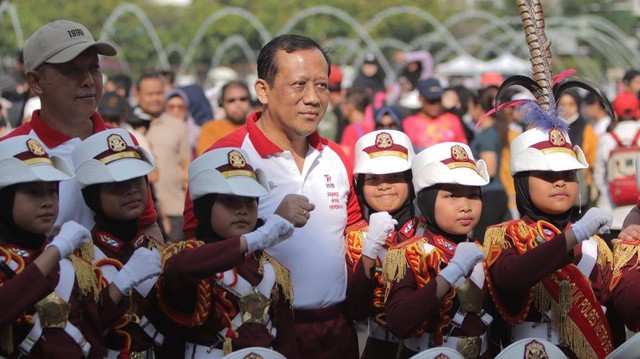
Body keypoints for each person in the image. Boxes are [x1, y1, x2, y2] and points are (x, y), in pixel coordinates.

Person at [182, 34, 366, 359]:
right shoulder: (226, 156)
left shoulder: (337, 156)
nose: (313, 98)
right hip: (256, 336)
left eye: (322, 85)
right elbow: (194, 252)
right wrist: (266, 227)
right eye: (299, 84)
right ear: (263, 90)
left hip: (337, 331)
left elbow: (353, 231)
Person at [0, 135, 160, 358]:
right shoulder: (72, 257)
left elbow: (91, 333)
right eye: (33, 192)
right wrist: (56, 251)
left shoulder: (69, 265)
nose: (47, 201)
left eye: (52, 191)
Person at [1, 19, 162, 241]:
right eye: (72, 70)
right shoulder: (10, 153)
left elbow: (147, 227)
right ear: (35, 81)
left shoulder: (121, 143)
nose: (88, 80)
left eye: (94, 68)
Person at [158, 147, 298, 358]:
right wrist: (249, 241)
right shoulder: (186, 256)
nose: (242, 209)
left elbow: (286, 342)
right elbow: (179, 271)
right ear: (205, 207)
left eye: (250, 201)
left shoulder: (271, 268)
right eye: (229, 201)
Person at [382, 142, 491, 358]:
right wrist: (452, 272)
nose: (465, 206)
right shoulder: (409, 253)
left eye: (473, 195)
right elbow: (398, 322)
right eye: (451, 195)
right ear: (427, 200)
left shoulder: (484, 249)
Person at [72, 128, 165, 358]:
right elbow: (78, 333)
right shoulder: (80, 260)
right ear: (93, 195)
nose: (131, 189)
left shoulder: (160, 251)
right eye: (115, 184)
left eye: (137, 179)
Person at [345, 130, 419, 358]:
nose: (384, 186)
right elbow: (356, 310)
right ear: (359, 186)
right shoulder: (355, 237)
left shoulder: (430, 230)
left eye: (395, 176)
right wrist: (370, 249)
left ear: (411, 179)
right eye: (373, 179)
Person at [593, 92, 640, 238]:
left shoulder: (607, 139)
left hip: (613, 212)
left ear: (615, 113)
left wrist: (609, 192)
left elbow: (598, 174)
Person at [469, 87, 509, 240]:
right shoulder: (492, 132)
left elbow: (489, 169)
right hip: (493, 194)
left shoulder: (488, 135)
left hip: (490, 195)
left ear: (478, 108)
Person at [402, 77, 468, 151]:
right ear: (420, 98)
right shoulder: (409, 123)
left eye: (438, 100)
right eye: (431, 101)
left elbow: (463, 149)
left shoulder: (453, 119)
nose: (436, 105)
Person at [196, 81, 251, 156]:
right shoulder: (210, 129)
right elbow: (206, 160)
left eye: (243, 99)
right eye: (231, 100)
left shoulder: (258, 126)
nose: (238, 105)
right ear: (222, 103)